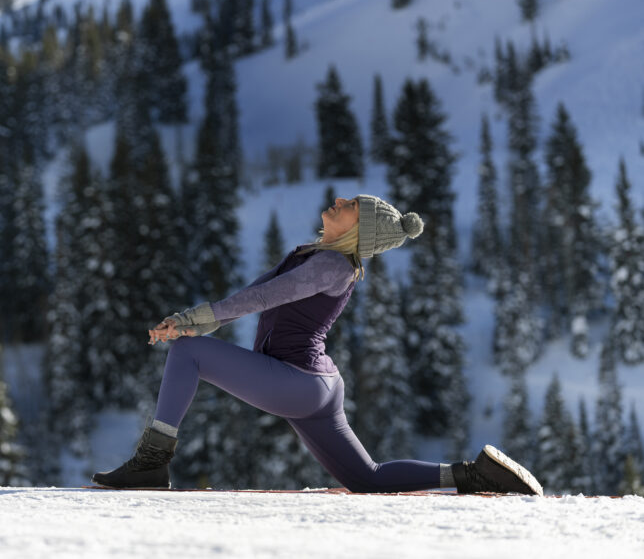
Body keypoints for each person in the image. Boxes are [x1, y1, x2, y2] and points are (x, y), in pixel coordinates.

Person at [92, 195, 543, 496]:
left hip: (301, 383)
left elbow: (266, 299)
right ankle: (474, 474)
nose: (340, 201)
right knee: (367, 480)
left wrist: (193, 328)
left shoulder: (335, 266)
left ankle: (152, 462)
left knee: (186, 356)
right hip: (314, 386)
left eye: (351, 206)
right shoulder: (310, 255)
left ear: (359, 230)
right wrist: (188, 324)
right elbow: (252, 292)